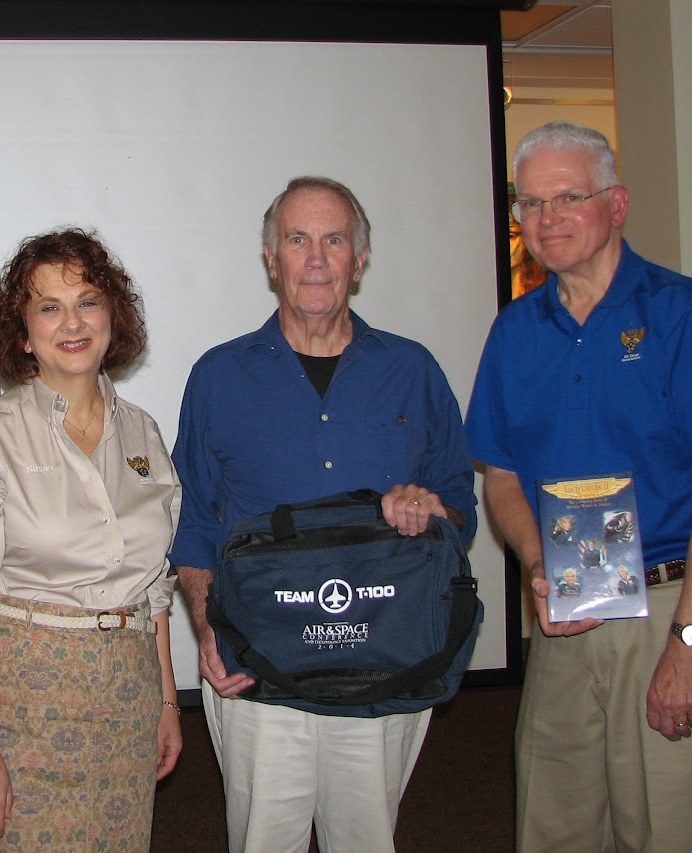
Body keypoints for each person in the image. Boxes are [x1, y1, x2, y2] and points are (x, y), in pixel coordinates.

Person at [465, 121, 692, 852]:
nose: (546, 218)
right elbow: (502, 475)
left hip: (673, 604)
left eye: (568, 197)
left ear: (617, 205)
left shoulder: (687, 316)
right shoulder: (515, 332)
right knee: (555, 823)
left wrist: (691, 642)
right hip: (568, 606)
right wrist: (537, 560)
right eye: (530, 203)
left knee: (676, 829)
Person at [171, 176, 476, 853]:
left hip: (383, 664)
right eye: (297, 239)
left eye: (333, 240)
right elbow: (191, 517)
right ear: (270, 257)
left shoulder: (413, 370)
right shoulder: (219, 375)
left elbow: (459, 498)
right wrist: (206, 624)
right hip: (258, 666)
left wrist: (433, 509)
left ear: (359, 260)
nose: (315, 258)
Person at [0, 228, 182, 850]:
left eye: (87, 301)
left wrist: (167, 703)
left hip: (127, 702)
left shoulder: (144, 434)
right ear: (23, 333)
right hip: (20, 705)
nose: (72, 322)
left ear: (112, 316)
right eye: (49, 307)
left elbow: (153, 588)